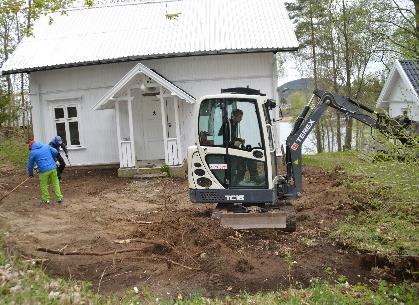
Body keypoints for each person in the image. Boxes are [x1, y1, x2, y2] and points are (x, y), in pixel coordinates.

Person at [219, 109, 260, 185]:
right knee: (237, 165)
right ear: (234, 116)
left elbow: (232, 137)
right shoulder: (228, 124)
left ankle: (249, 178)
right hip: (228, 150)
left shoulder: (235, 124)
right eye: (240, 117)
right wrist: (234, 142)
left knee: (246, 159)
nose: (241, 119)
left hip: (233, 148)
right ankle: (236, 182)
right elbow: (221, 137)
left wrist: (239, 139)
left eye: (241, 117)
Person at [28, 140, 63, 204]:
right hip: (53, 168)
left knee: (44, 185)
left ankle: (46, 199)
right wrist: (53, 158)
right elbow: (55, 151)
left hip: (43, 171)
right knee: (55, 183)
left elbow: (30, 165)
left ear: (31, 146)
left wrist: (31, 174)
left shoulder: (33, 152)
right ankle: (59, 197)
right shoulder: (46, 146)